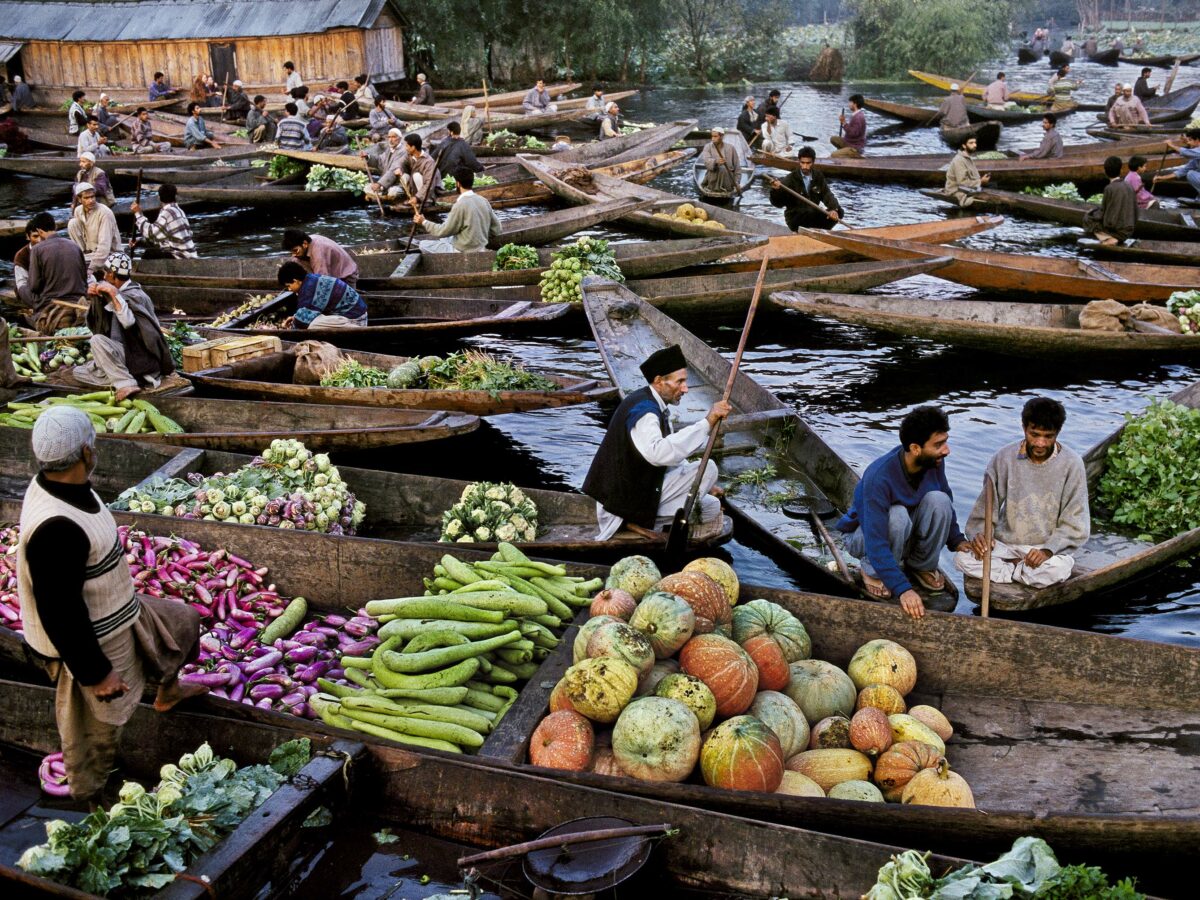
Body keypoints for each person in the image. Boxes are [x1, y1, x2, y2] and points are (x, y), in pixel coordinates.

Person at [17, 404, 206, 802]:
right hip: (93, 636)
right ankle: (90, 791)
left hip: (122, 609)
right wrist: (95, 673)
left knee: (184, 621)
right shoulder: (57, 529)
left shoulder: (62, 482)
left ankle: (167, 692)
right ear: (86, 452)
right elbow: (59, 611)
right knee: (99, 726)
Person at [583, 344, 730, 542]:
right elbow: (659, 453)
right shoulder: (645, 412)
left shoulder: (655, 405)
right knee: (709, 468)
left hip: (638, 489)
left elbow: (669, 457)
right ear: (659, 381)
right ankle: (634, 521)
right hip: (621, 503)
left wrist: (706, 486)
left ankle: (648, 520)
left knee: (710, 506)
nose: (685, 388)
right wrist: (707, 423)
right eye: (680, 382)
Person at [838, 406, 969, 619]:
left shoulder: (933, 462)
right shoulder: (879, 477)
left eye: (945, 441)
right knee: (897, 515)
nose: (946, 450)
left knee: (940, 500)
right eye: (938, 444)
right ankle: (872, 570)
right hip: (865, 537)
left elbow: (945, 495)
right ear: (915, 448)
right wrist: (903, 589)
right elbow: (876, 540)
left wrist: (957, 540)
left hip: (903, 529)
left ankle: (921, 565)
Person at [955, 398, 1088, 590]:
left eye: (1048, 436)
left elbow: (1075, 522)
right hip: (1005, 546)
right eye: (1034, 434)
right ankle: (1019, 572)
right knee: (962, 559)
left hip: (1045, 549)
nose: (1040, 443)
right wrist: (981, 536)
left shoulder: (1072, 464)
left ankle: (1007, 572)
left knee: (1057, 570)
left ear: (1058, 433)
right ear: (1024, 428)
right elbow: (985, 510)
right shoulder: (1003, 458)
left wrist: (1047, 550)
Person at [74, 252, 175, 398]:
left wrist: (114, 295)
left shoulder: (136, 296)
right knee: (79, 372)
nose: (104, 277)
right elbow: (98, 323)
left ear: (112, 275)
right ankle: (120, 376)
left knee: (97, 340)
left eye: (106, 273)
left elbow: (128, 322)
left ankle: (126, 383)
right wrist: (95, 298)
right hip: (124, 353)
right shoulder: (119, 293)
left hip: (141, 356)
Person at [413, 167, 502, 253]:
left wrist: (423, 222)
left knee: (423, 245)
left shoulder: (459, 205)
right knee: (445, 238)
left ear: (458, 184)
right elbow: (497, 229)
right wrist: (481, 236)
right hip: (480, 247)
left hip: (462, 250)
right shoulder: (483, 200)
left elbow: (442, 231)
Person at [26, 212, 89, 335]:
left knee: (23, 288)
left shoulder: (37, 250)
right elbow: (84, 278)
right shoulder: (74, 246)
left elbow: (34, 286)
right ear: (54, 227)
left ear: (39, 230)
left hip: (52, 303)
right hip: (77, 298)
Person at [768, 146, 842, 231]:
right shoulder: (791, 178)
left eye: (808, 163)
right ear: (799, 162)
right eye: (802, 163)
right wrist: (775, 190)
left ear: (813, 162)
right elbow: (778, 204)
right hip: (796, 218)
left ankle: (820, 231)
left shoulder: (818, 176)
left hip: (812, 215)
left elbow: (827, 194)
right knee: (808, 211)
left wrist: (833, 209)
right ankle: (806, 231)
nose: (805, 166)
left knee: (839, 211)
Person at [276, 260, 367, 330]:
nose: (289, 289)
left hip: (355, 320)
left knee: (312, 325)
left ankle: (354, 328)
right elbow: (308, 310)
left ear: (295, 281)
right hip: (356, 314)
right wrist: (295, 317)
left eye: (289, 286)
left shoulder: (309, 288)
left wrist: (291, 327)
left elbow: (302, 322)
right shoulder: (311, 279)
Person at [68, 182, 121, 277]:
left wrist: (91, 269)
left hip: (110, 255)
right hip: (90, 254)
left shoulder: (105, 213)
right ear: (79, 199)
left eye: (92, 197)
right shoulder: (78, 211)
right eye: (86, 198)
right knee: (72, 223)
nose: (91, 200)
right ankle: (82, 257)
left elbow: (104, 247)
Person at [1083, 156, 1137, 245]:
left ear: (1105, 172)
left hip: (1117, 231)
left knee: (1088, 219)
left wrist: (1091, 213)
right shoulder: (1129, 186)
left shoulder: (1109, 188)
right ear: (1121, 170)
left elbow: (1103, 213)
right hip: (1129, 229)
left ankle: (1110, 238)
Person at [133, 184, 197, 259]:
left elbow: (151, 234)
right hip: (190, 253)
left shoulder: (167, 213)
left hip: (181, 256)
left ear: (159, 198)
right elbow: (159, 238)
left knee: (149, 254)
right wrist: (138, 242)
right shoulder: (179, 210)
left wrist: (138, 213)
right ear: (175, 196)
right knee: (155, 249)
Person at [282, 229, 358, 287]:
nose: (294, 255)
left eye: (295, 250)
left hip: (345, 277)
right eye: (291, 252)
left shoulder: (318, 252)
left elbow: (323, 281)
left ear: (305, 244)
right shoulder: (302, 248)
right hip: (329, 275)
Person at [942, 135, 990, 206]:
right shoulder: (959, 160)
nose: (974, 145)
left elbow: (973, 177)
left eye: (975, 142)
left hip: (967, 188)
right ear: (964, 146)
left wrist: (981, 181)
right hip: (956, 190)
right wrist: (981, 181)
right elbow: (962, 182)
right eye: (971, 143)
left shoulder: (968, 158)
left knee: (993, 185)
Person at [1151, 128, 1200, 198]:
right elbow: (1183, 171)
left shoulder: (1197, 152)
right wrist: (1162, 178)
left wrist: (1171, 145)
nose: (1188, 143)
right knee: (1190, 172)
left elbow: (1186, 152)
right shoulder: (1195, 157)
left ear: (1197, 140)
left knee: (1191, 174)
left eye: (1190, 140)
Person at [363, 128, 408, 199]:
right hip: (386, 183)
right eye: (389, 137)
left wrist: (379, 184)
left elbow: (394, 169)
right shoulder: (389, 150)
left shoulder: (403, 151)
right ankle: (382, 190)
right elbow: (379, 161)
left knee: (393, 192)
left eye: (393, 137)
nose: (390, 140)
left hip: (398, 182)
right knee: (367, 188)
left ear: (399, 139)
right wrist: (368, 157)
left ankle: (384, 190)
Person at [395, 133, 437, 206]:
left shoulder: (428, 161)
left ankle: (426, 201)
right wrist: (399, 168)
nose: (405, 148)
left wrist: (417, 197)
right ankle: (411, 198)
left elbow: (429, 183)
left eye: (407, 146)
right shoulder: (409, 155)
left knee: (416, 175)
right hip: (416, 190)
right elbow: (400, 162)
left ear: (413, 147)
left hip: (429, 192)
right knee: (404, 176)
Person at [700, 127, 739, 196]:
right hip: (713, 179)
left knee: (724, 169)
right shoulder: (707, 147)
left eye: (715, 136)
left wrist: (737, 183)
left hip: (728, 181)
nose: (712, 139)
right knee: (721, 169)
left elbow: (737, 167)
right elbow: (706, 161)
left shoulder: (731, 148)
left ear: (721, 136)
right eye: (712, 136)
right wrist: (716, 162)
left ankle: (727, 188)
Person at [12, 220, 42, 307]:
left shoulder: (50, 250)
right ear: (28, 237)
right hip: (30, 290)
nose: (39, 240)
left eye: (41, 236)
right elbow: (22, 284)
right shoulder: (21, 256)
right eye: (35, 236)